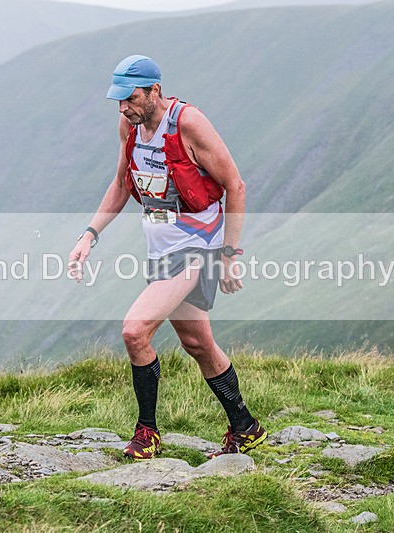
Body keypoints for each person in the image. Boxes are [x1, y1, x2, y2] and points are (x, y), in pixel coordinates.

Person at [67, 55, 266, 459]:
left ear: (155, 90)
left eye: (131, 98)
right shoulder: (130, 126)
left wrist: (229, 254)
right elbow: (122, 184)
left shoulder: (188, 124)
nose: (124, 108)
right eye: (119, 101)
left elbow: (236, 185)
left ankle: (147, 433)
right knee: (197, 342)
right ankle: (245, 427)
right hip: (161, 245)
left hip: (197, 246)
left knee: (134, 330)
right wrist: (90, 234)